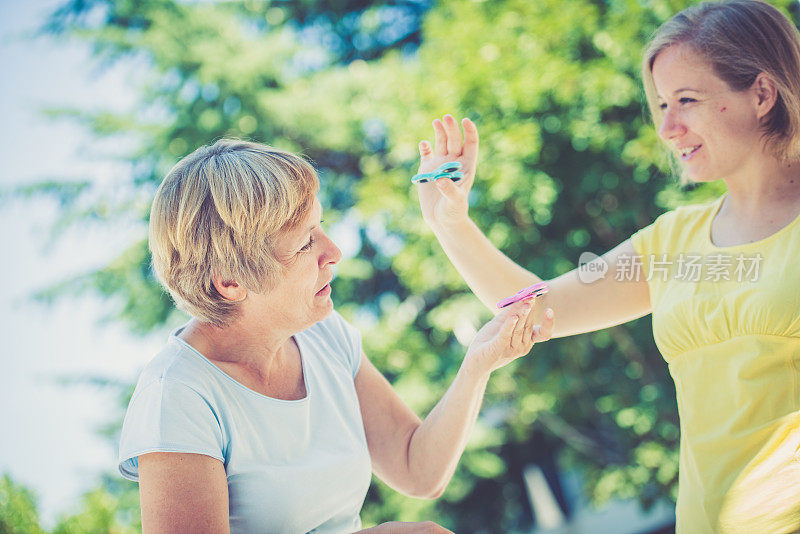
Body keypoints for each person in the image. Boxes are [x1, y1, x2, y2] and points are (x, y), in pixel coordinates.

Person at [414, 1, 800, 532]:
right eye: (662, 103)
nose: (667, 127)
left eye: (687, 100)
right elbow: (534, 311)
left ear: (761, 93)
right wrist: (451, 224)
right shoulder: (672, 242)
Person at [117, 139, 555, 533]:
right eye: (306, 244)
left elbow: (416, 467)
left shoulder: (322, 334)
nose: (334, 252)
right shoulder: (176, 396)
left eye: (320, 226)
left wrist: (478, 364)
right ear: (229, 280)